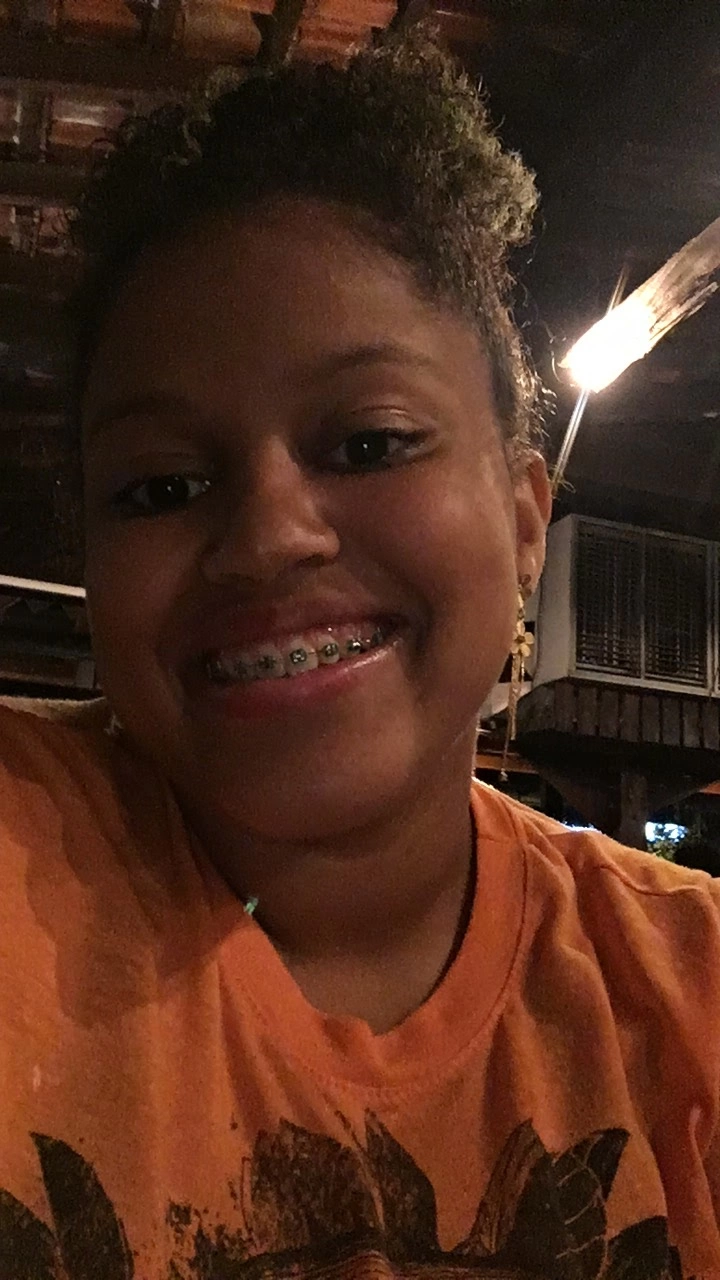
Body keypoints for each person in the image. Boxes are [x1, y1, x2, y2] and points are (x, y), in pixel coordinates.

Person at [0, 28, 719, 1279]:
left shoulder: (690, 989)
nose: (266, 537)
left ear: (525, 520)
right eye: (162, 484)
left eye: (370, 442)